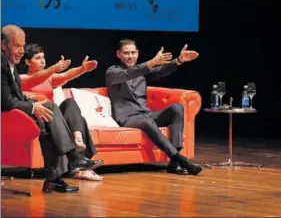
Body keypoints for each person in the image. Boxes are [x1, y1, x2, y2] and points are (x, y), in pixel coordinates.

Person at [1, 24, 103, 193]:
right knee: (50, 111)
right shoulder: (9, 69)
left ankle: (55, 178)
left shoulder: (10, 66)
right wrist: (33, 106)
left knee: (59, 113)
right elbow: (5, 101)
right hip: (11, 116)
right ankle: (74, 158)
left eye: (22, 46)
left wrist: (82, 69)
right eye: (17, 46)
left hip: (29, 113)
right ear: (4, 45)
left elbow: (16, 96)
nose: (20, 50)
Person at [106, 39, 203, 176]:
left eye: (133, 52)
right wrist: (151, 62)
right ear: (118, 54)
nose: (130, 56)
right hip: (128, 118)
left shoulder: (142, 72)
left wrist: (179, 60)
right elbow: (130, 74)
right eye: (126, 53)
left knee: (177, 108)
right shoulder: (113, 72)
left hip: (147, 115)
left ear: (138, 53)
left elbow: (160, 70)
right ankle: (182, 160)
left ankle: (174, 164)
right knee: (146, 122)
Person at [19, 43, 103, 181]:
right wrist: (54, 68)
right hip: (42, 116)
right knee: (76, 118)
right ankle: (79, 163)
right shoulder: (22, 79)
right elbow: (37, 78)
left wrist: (82, 69)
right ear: (28, 62)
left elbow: (66, 75)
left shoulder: (49, 78)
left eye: (43, 57)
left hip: (55, 116)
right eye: (37, 58)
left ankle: (77, 137)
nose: (42, 60)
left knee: (70, 103)